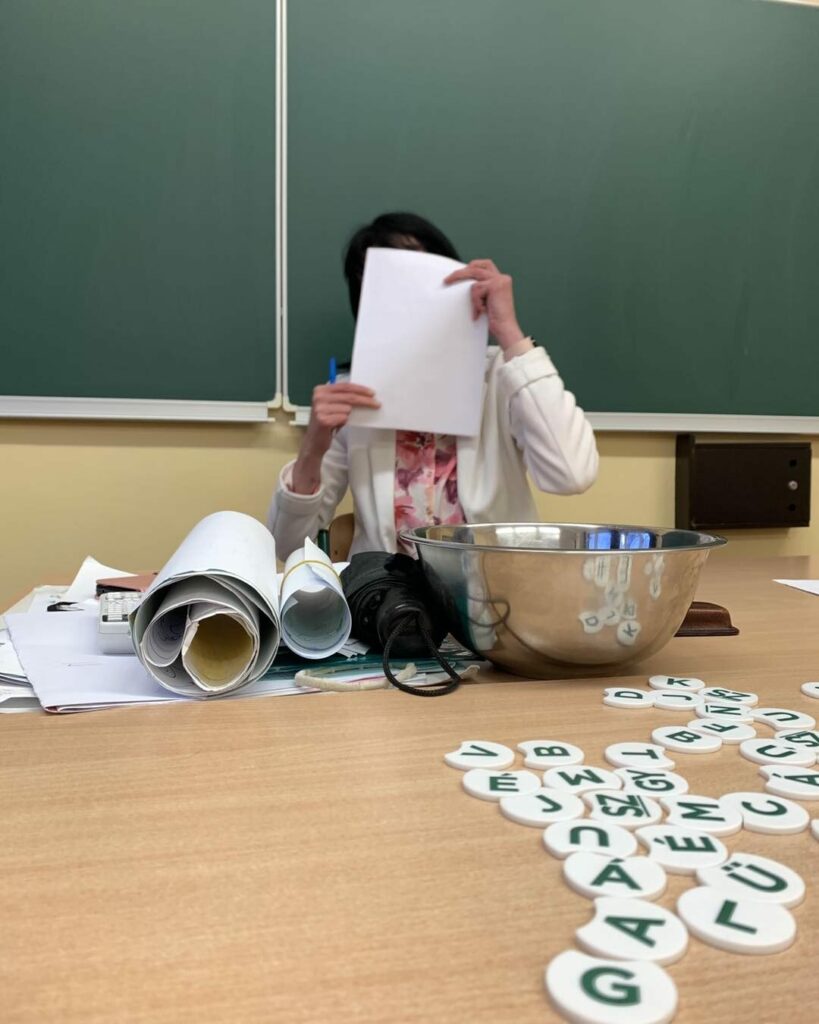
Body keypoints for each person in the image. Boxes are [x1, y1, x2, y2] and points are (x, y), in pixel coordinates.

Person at [268, 212, 598, 559]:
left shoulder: (504, 375)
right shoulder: (352, 394)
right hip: (388, 590)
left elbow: (572, 474)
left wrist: (510, 333)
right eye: (382, 286)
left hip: (495, 587)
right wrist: (312, 449)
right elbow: (288, 545)